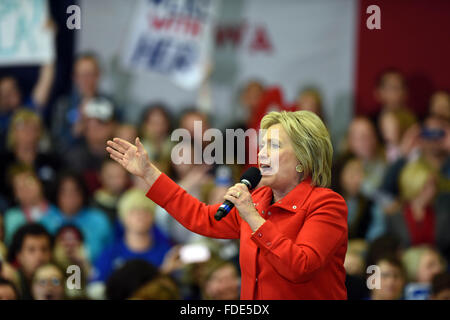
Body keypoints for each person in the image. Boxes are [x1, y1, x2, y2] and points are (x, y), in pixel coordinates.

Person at [107, 110, 348, 300]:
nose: (261, 154)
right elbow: (200, 217)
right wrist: (149, 174)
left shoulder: (326, 204)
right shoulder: (259, 199)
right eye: (262, 146)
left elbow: (300, 267)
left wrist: (252, 217)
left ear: (303, 159)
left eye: (273, 146)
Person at [90, 189, 172, 283]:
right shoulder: (110, 254)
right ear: (122, 217)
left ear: (153, 217)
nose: (140, 216)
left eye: (146, 211)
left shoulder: (166, 253)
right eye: (133, 212)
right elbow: (97, 288)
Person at [39, 172, 113, 263]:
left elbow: (111, 252)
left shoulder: (99, 220)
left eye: (75, 191)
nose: (70, 196)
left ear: (83, 193)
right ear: (56, 194)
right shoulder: (46, 221)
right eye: (64, 191)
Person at [3, 166, 59, 245]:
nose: (26, 188)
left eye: (29, 181)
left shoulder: (59, 213)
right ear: (15, 194)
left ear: (40, 183)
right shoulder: (10, 218)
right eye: (20, 186)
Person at [7, 223, 53, 300]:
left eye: (44, 249)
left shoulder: (58, 280)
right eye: (31, 250)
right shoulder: (11, 283)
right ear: (19, 256)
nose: (39, 256)